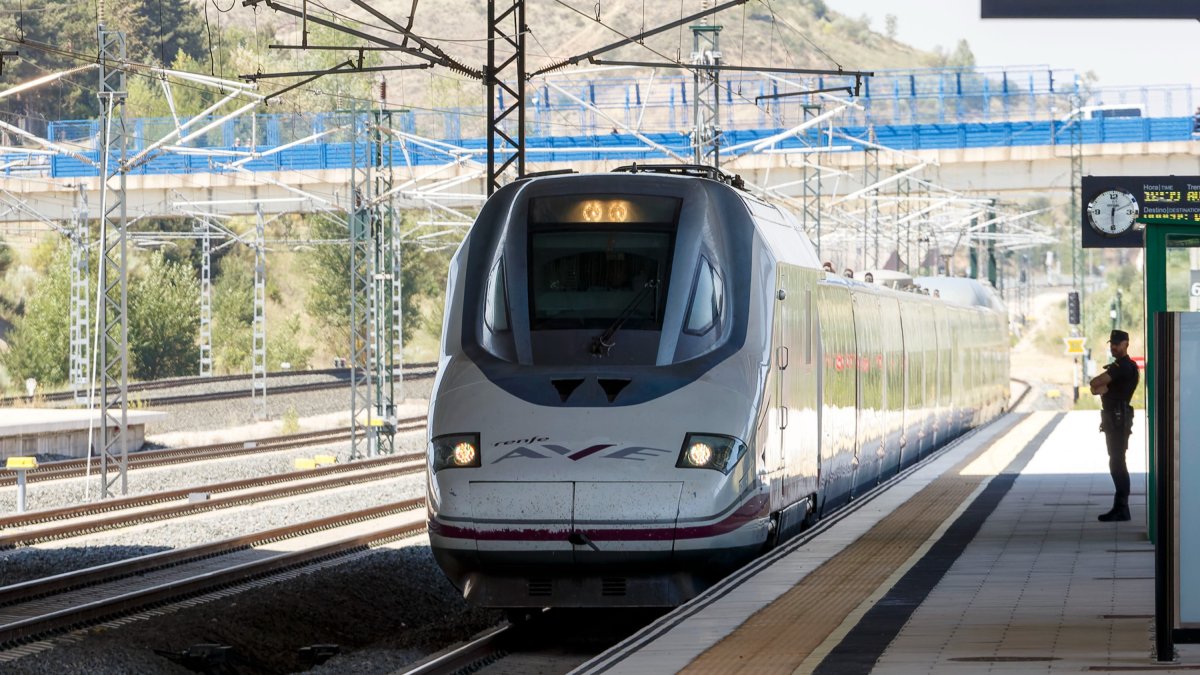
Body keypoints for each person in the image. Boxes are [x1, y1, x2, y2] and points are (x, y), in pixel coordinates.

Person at [1088, 329, 1139, 522]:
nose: (1114, 347)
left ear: (1127, 344)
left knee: (1117, 461)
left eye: (1118, 343)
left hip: (1118, 418)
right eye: (1112, 343)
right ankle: (1120, 506)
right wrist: (1101, 386)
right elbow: (1096, 389)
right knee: (1116, 460)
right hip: (1114, 417)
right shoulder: (1123, 367)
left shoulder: (1122, 366)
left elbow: (1096, 383)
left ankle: (1122, 507)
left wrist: (1101, 385)